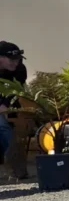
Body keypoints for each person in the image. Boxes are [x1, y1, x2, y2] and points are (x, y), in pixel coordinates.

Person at [0, 41, 29, 180]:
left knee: (4, 126)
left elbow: (16, 91)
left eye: (18, 59)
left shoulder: (20, 70)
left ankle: (17, 166)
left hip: (12, 105)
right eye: (12, 59)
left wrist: (5, 105)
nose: (16, 63)